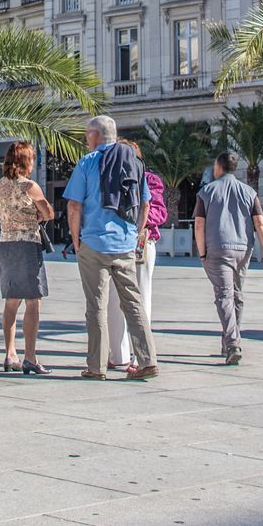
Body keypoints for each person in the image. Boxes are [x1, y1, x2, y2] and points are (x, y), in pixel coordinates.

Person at [63, 114, 157, 381]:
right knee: (133, 303)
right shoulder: (134, 162)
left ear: (95, 135)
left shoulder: (88, 162)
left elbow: (74, 205)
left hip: (94, 243)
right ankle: (148, 361)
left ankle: (97, 367)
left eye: (87, 134)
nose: (85, 139)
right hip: (125, 244)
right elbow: (146, 204)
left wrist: (76, 239)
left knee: (96, 306)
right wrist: (135, 233)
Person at [194, 151, 263, 363]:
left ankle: (232, 345)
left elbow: (199, 225)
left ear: (218, 167)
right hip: (243, 249)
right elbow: (260, 223)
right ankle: (229, 342)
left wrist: (202, 253)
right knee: (236, 295)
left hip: (217, 249)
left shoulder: (206, 191)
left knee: (224, 296)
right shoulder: (249, 192)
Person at [0, 141, 55, 375]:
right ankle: (30, 356)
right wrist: (40, 214)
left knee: (11, 301)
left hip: (6, 245)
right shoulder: (30, 186)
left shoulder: (1, 185)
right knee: (33, 301)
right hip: (28, 244)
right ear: (25, 161)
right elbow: (48, 213)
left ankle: (10, 354)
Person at [108, 140, 166, 373]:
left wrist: (133, 219)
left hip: (141, 243)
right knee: (114, 299)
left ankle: (140, 355)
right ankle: (119, 354)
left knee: (141, 297)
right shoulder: (110, 179)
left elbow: (159, 212)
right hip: (116, 242)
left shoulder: (150, 180)